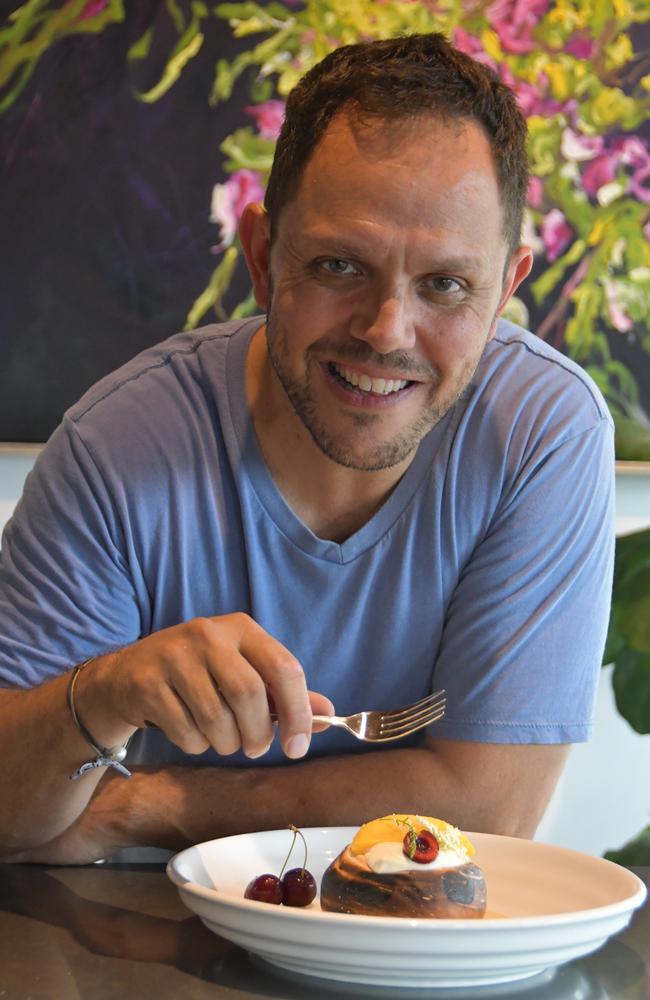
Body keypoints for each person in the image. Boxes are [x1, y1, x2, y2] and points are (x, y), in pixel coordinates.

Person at [0, 33, 614, 865]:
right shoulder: (119, 445)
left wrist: (139, 806)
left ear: (506, 289)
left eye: (445, 285)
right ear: (262, 257)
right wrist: (101, 694)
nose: (385, 332)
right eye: (338, 265)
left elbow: (491, 809)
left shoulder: (545, 432)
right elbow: (10, 816)